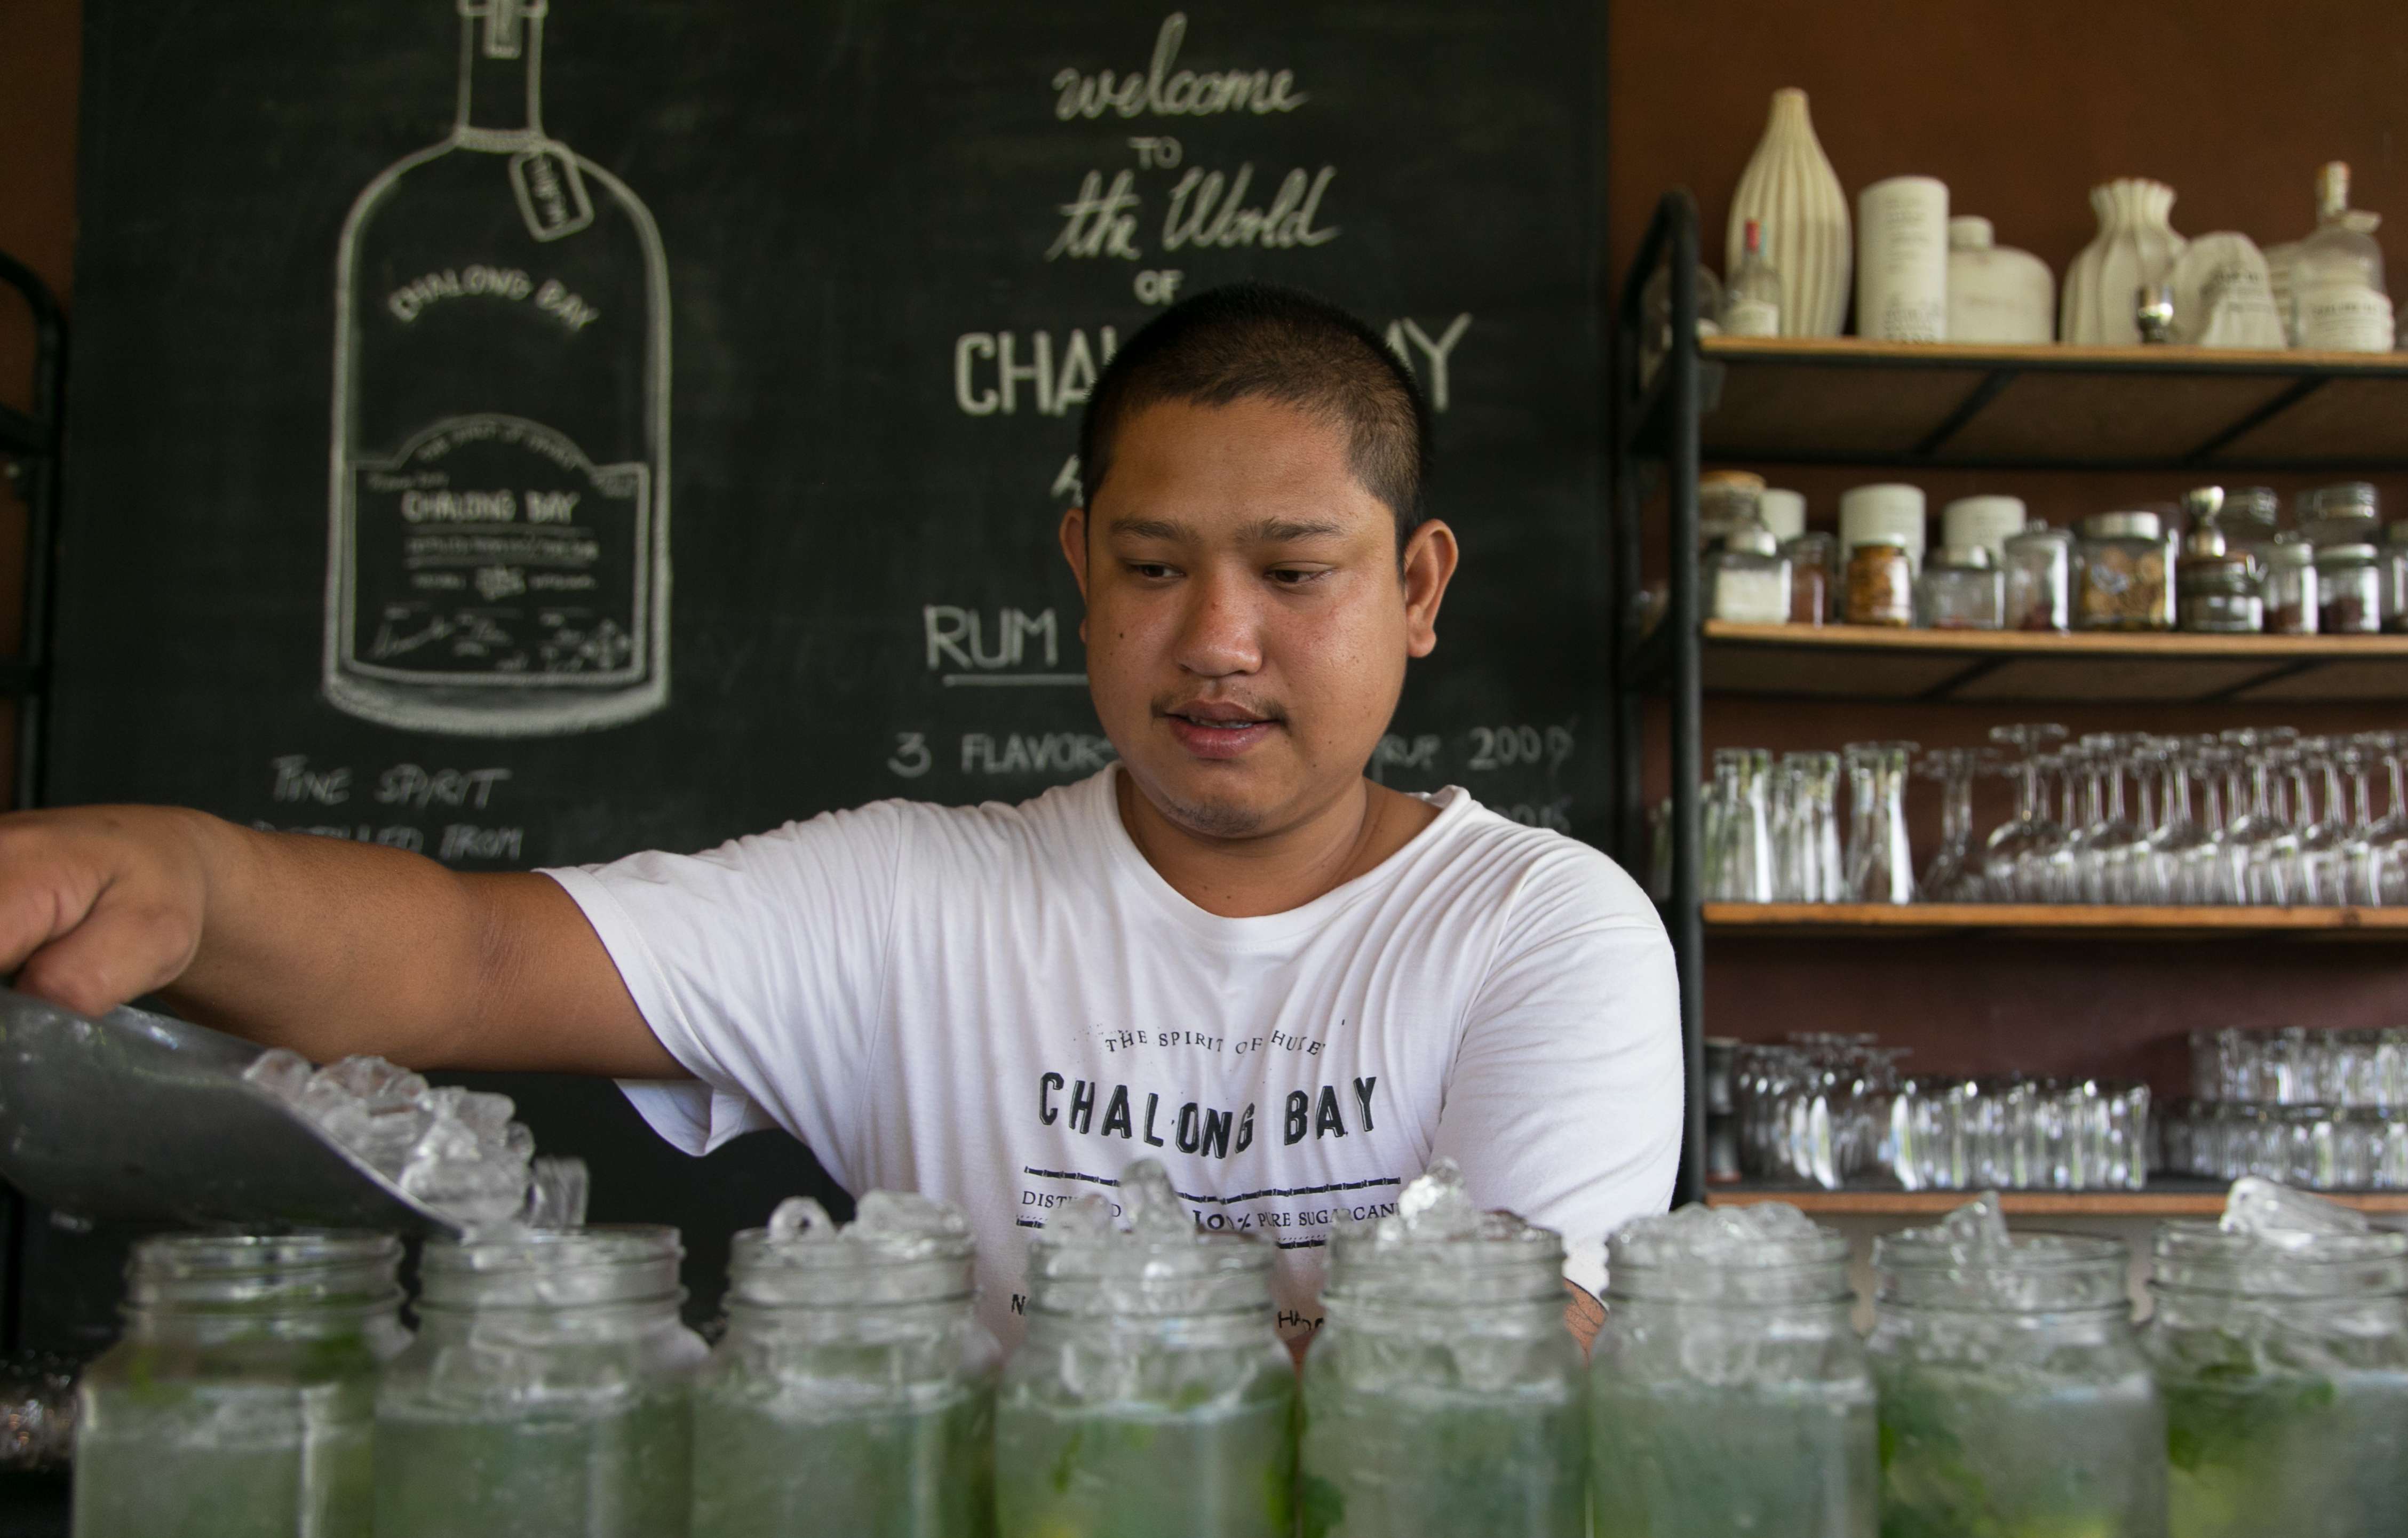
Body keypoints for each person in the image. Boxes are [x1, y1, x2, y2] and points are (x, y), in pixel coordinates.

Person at [0, 283, 1679, 1350]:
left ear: (1420, 586)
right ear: (1081, 575)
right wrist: (191, 884)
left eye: (1297, 574)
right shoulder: (913, 902)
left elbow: (1515, 1374)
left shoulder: (1541, 925)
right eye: (1157, 568)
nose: (1219, 642)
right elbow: (474, 957)